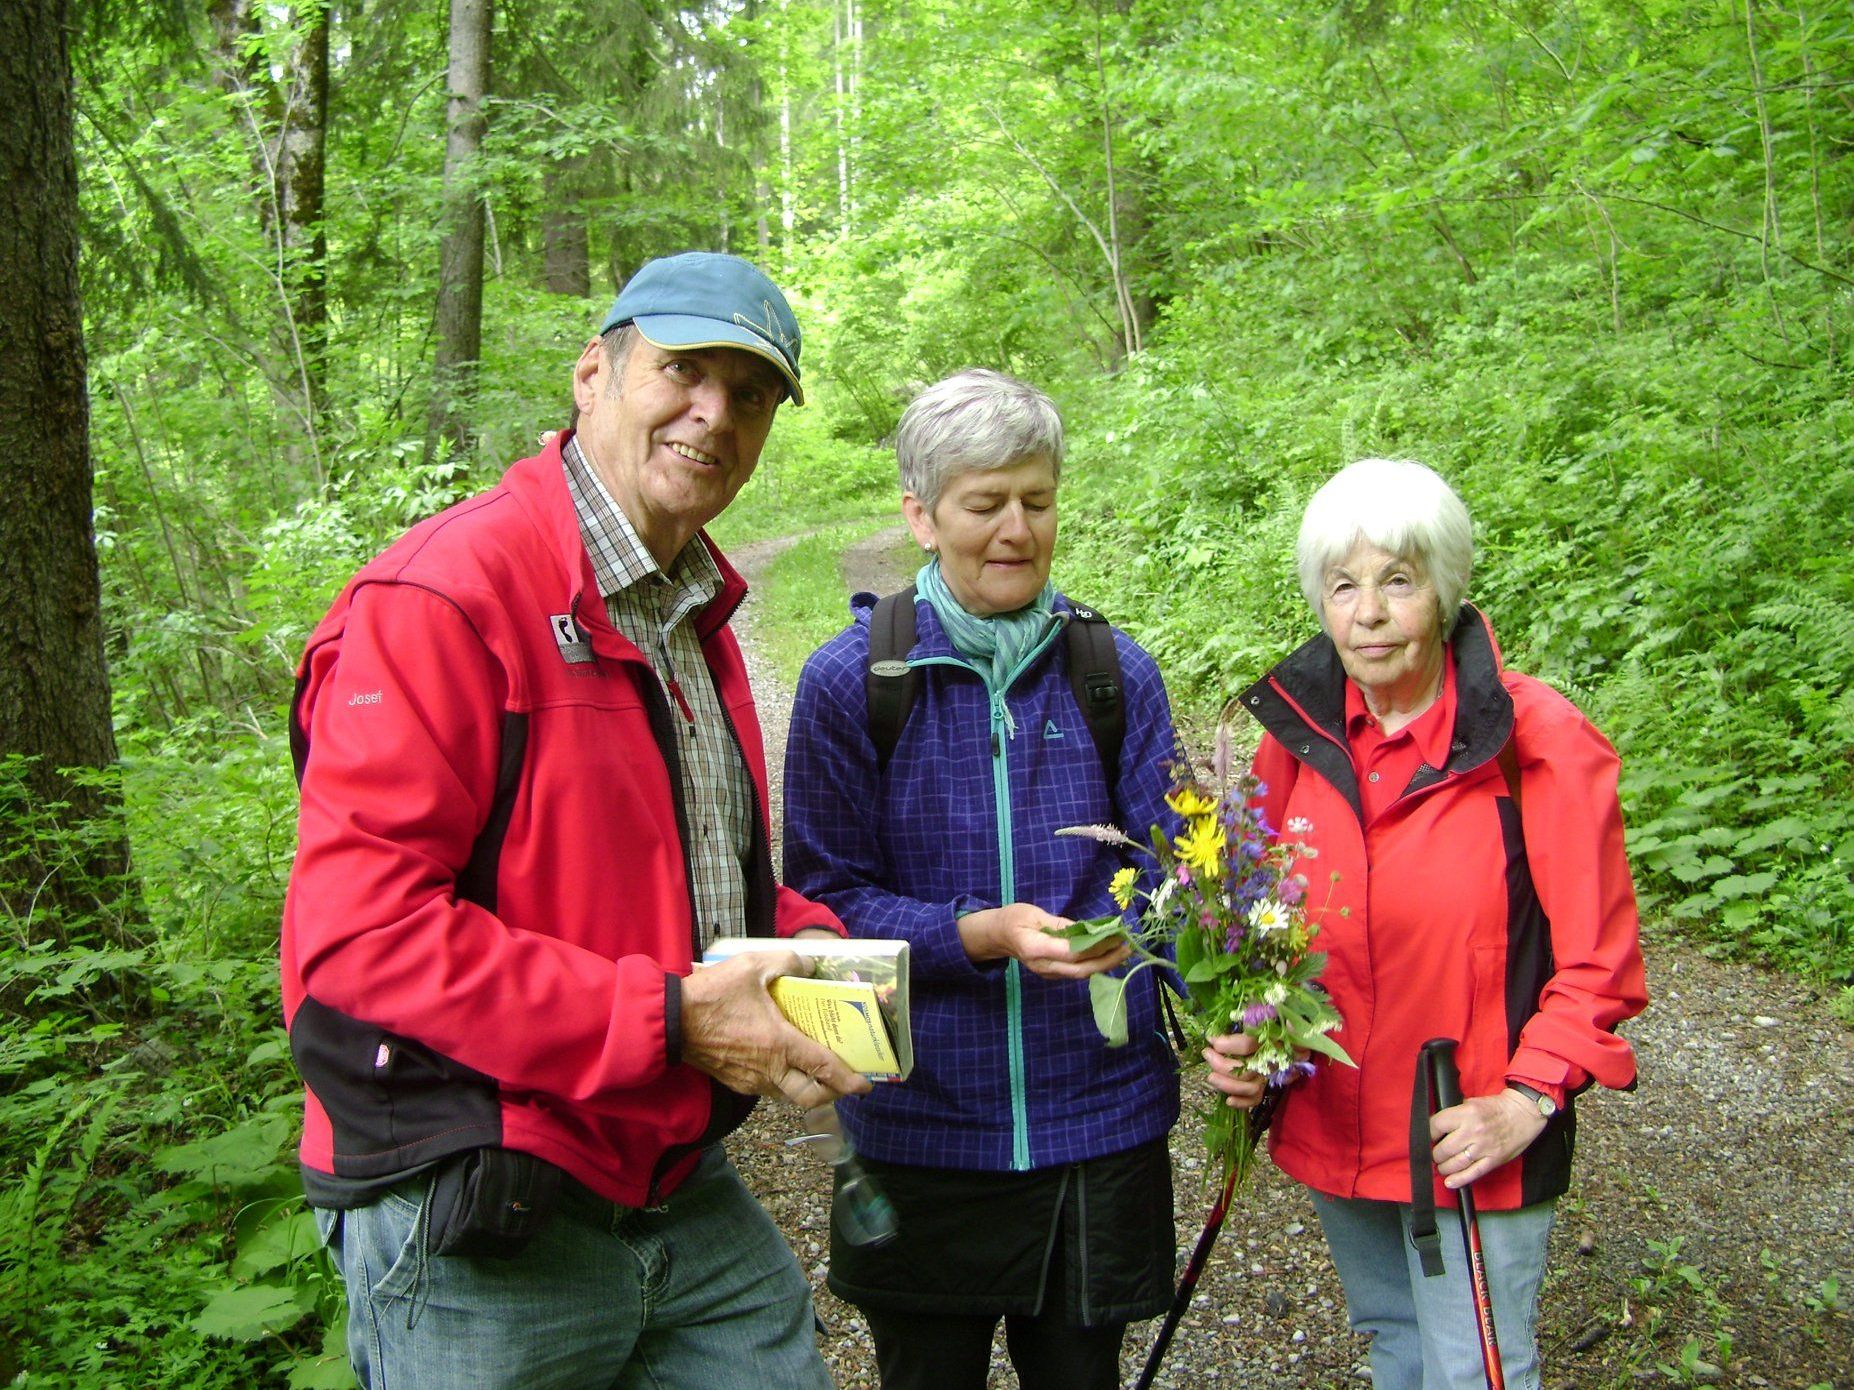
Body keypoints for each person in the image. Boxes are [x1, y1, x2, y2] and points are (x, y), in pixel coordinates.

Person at [280, 251, 871, 1390]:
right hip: (478, 1194)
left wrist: (804, 939)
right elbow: (358, 943)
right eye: (684, 369)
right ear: (592, 371)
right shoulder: (444, 598)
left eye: (750, 395)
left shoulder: (689, 608)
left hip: (663, 1169)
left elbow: (662, 866)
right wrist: (672, 1022)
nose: (715, 414)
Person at [1204, 457, 1648, 1389]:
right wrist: (1246, 1037)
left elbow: (1600, 963)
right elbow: (1261, 932)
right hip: (1339, 1122)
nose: (1367, 612)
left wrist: (1525, 1101)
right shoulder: (1295, 741)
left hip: (1467, 1133)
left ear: (1444, 589)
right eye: (1342, 585)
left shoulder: (1537, 739)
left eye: (1396, 581)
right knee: (1396, 1348)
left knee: (1476, 1370)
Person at [783, 369, 1182, 1390]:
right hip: (919, 1125)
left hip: (1097, 1120)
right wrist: (979, 934)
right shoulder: (853, 684)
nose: (1016, 528)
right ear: (921, 514)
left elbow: (1178, 882)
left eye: (1036, 501)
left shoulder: (1113, 674)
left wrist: (1183, 968)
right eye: (984, 503)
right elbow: (825, 902)